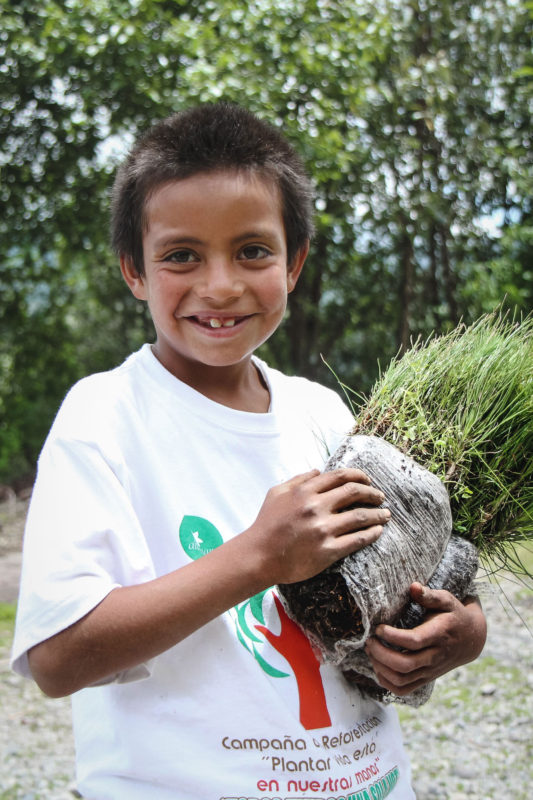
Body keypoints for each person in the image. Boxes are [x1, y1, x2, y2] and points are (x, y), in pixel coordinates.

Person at [11, 103, 486, 800]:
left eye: (253, 251)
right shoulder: (104, 418)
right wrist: (259, 557)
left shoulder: (324, 414)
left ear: (294, 264)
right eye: (181, 255)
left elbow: (404, 572)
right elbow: (57, 659)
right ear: (134, 271)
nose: (221, 285)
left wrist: (460, 632)